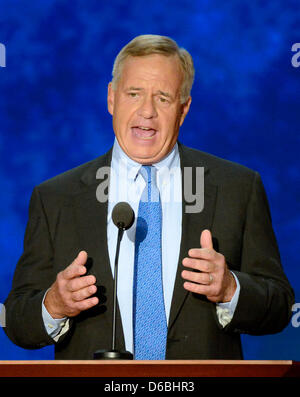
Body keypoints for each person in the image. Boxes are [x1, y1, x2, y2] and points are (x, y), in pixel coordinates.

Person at [4, 35, 294, 360]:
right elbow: (16, 319)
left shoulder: (237, 189)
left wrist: (230, 289)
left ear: (183, 110)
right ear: (112, 99)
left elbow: (280, 306)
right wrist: (54, 305)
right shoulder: (56, 197)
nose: (147, 111)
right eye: (134, 94)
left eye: (163, 98)